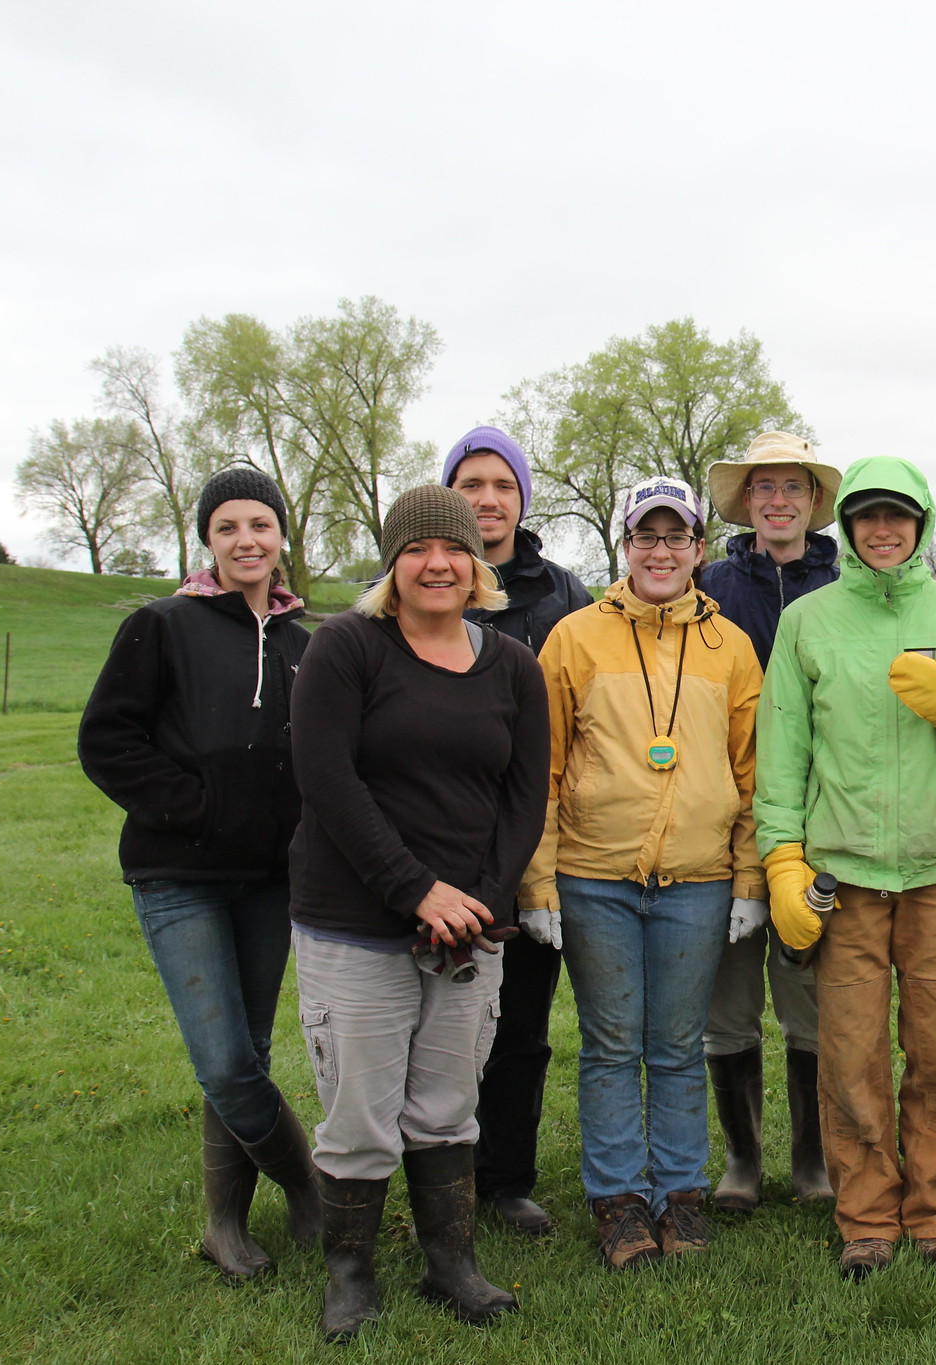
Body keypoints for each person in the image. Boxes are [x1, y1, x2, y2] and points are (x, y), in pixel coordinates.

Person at [754, 455, 936, 1278]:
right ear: (846, 523)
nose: (882, 529)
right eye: (868, 515)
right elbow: (783, 752)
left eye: (898, 516)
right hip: (846, 877)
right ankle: (867, 1218)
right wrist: (781, 860)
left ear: (920, 521)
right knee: (851, 1058)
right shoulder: (808, 620)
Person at [287, 485, 548, 1340]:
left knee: (445, 1102)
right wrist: (415, 891)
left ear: (478, 565)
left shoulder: (512, 664)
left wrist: (478, 902)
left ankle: (451, 1265)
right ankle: (350, 1275)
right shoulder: (346, 649)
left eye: (454, 551)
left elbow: (523, 797)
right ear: (392, 566)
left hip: (466, 931)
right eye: (417, 550)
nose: (437, 564)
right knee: (360, 1111)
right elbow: (329, 780)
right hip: (355, 918)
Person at [78, 467, 319, 1280]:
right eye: (228, 527)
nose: (247, 540)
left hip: (267, 882)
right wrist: (196, 806)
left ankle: (225, 1224)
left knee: (247, 1049)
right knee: (222, 1059)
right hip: (178, 874)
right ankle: (313, 1187)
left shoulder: (302, 643)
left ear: (282, 536)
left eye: (261, 524)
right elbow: (107, 741)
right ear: (206, 539)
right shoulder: (162, 625)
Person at [520, 475, 766, 1270]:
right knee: (612, 1043)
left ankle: (681, 1193)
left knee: (677, 1044)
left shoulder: (730, 647)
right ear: (624, 544)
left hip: (697, 881)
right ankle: (621, 1199)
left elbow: (754, 768)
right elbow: (545, 768)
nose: (661, 551)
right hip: (597, 878)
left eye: (677, 536)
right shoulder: (574, 637)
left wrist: (751, 877)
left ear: (699, 548)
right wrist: (539, 880)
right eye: (645, 536)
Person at [442, 425, 593, 1239]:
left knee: (523, 1026)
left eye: (503, 485)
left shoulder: (562, 594)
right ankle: (440, 1171)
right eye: (472, 484)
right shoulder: (418, 580)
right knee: (438, 1024)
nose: (488, 499)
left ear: (523, 499)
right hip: (437, 837)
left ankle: (507, 1178)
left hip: (534, 839)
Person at [697, 431, 843, 1210]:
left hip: (816, 823)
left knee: (809, 997)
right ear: (746, 501)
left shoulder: (846, 581)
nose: (779, 500)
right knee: (729, 1001)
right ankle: (743, 1157)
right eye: (764, 487)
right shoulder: (711, 583)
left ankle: (813, 1160)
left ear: (815, 501)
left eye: (793, 486)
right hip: (722, 816)